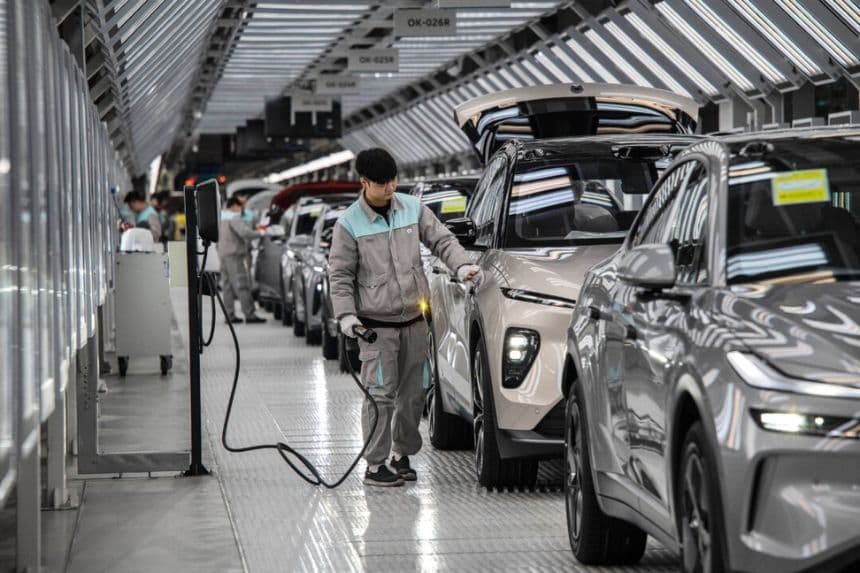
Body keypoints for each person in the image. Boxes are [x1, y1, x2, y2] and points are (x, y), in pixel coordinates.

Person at [329, 148, 483, 487]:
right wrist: (345, 316)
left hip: (414, 322)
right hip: (375, 328)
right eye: (382, 184)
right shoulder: (349, 225)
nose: (390, 188)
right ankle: (374, 465)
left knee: (414, 394)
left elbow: (442, 240)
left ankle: (402, 455)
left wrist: (462, 265)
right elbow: (339, 276)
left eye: (393, 181)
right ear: (364, 182)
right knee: (380, 395)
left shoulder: (413, 209)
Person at [217, 197, 266, 324]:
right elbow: (244, 232)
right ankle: (249, 314)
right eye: (240, 207)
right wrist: (260, 233)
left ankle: (229, 315)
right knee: (241, 285)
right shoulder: (234, 217)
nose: (241, 210)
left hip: (222, 254)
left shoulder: (220, 217)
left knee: (227, 286)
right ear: (234, 206)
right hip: (234, 255)